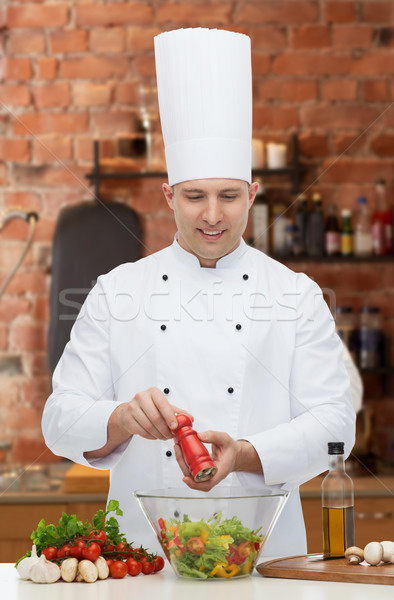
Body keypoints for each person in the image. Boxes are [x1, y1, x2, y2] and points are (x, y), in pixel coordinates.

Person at [42, 28, 355, 558]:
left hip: (265, 564)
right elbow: (59, 419)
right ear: (168, 195)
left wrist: (246, 453)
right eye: (194, 197)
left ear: (253, 194)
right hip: (142, 564)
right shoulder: (117, 291)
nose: (213, 215)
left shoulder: (295, 295)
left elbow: (336, 424)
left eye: (229, 196)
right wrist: (119, 419)